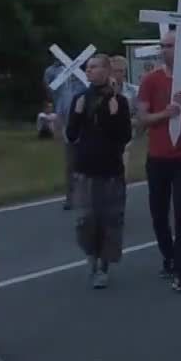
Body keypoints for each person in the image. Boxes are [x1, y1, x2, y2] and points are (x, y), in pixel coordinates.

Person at [136, 30, 181, 290]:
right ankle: (168, 255)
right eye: (162, 46)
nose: (164, 50)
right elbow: (142, 118)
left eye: (170, 46)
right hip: (157, 157)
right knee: (158, 213)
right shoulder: (150, 80)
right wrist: (165, 113)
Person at [67, 54, 133, 289]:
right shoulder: (81, 98)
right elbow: (72, 135)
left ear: (106, 70)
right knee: (86, 220)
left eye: (94, 67)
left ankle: (103, 266)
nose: (89, 71)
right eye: (87, 68)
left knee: (109, 220)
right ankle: (90, 257)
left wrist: (114, 116)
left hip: (110, 171)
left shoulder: (119, 101)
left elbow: (124, 137)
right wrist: (76, 113)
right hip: (85, 170)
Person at [45, 52, 89, 209]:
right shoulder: (63, 88)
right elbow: (58, 103)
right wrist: (58, 126)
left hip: (86, 132)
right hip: (69, 132)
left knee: (87, 165)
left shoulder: (85, 84)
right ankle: (70, 198)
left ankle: (86, 197)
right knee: (70, 165)